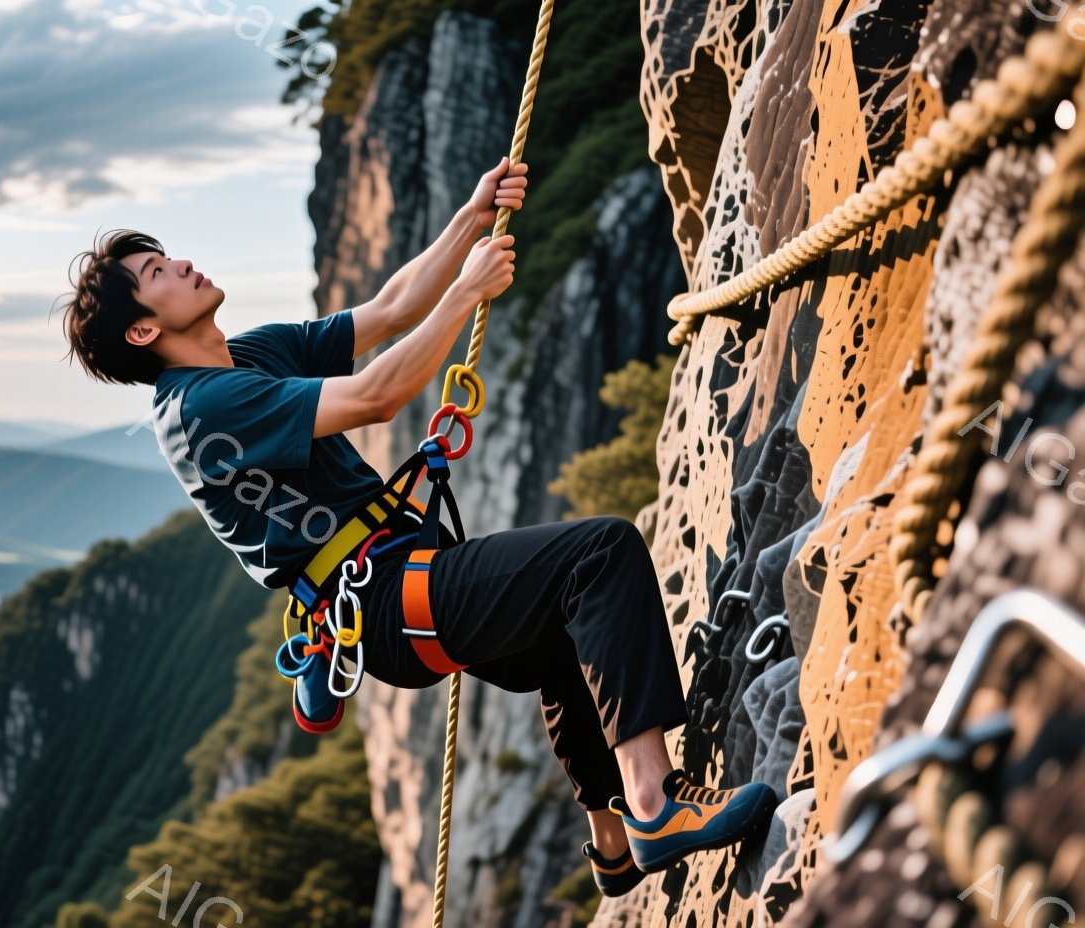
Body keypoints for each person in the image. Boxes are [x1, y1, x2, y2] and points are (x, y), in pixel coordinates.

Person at [57, 157, 778, 895]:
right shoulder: (199, 409)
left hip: (401, 587)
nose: (180, 262)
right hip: (387, 599)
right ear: (144, 329)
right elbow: (378, 394)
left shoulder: (250, 356)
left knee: (568, 635)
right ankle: (655, 804)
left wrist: (470, 216)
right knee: (600, 555)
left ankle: (613, 843)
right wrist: (467, 289)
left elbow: (392, 308)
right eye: (157, 271)